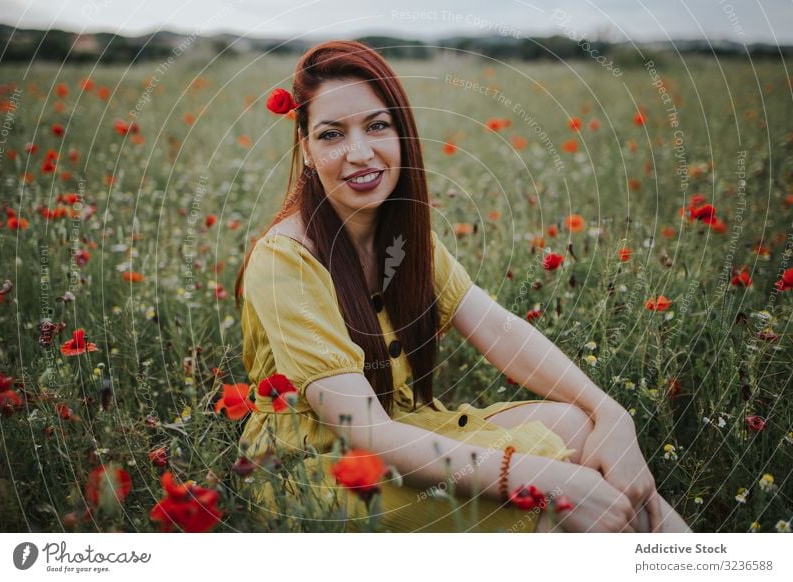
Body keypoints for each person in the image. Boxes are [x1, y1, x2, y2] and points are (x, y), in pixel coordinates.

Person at [235, 40, 691, 533]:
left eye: (377, 125)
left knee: (582, 426)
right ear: (305, 148)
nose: (359, 152)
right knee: (550, 505)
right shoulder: (285, 260)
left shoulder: (406, 239)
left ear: (402, 132)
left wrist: (613, 413)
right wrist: (538, 477)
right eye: (331, 134)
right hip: (318, 470)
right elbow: (364, 433)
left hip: (405, 429)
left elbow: (499, 330)